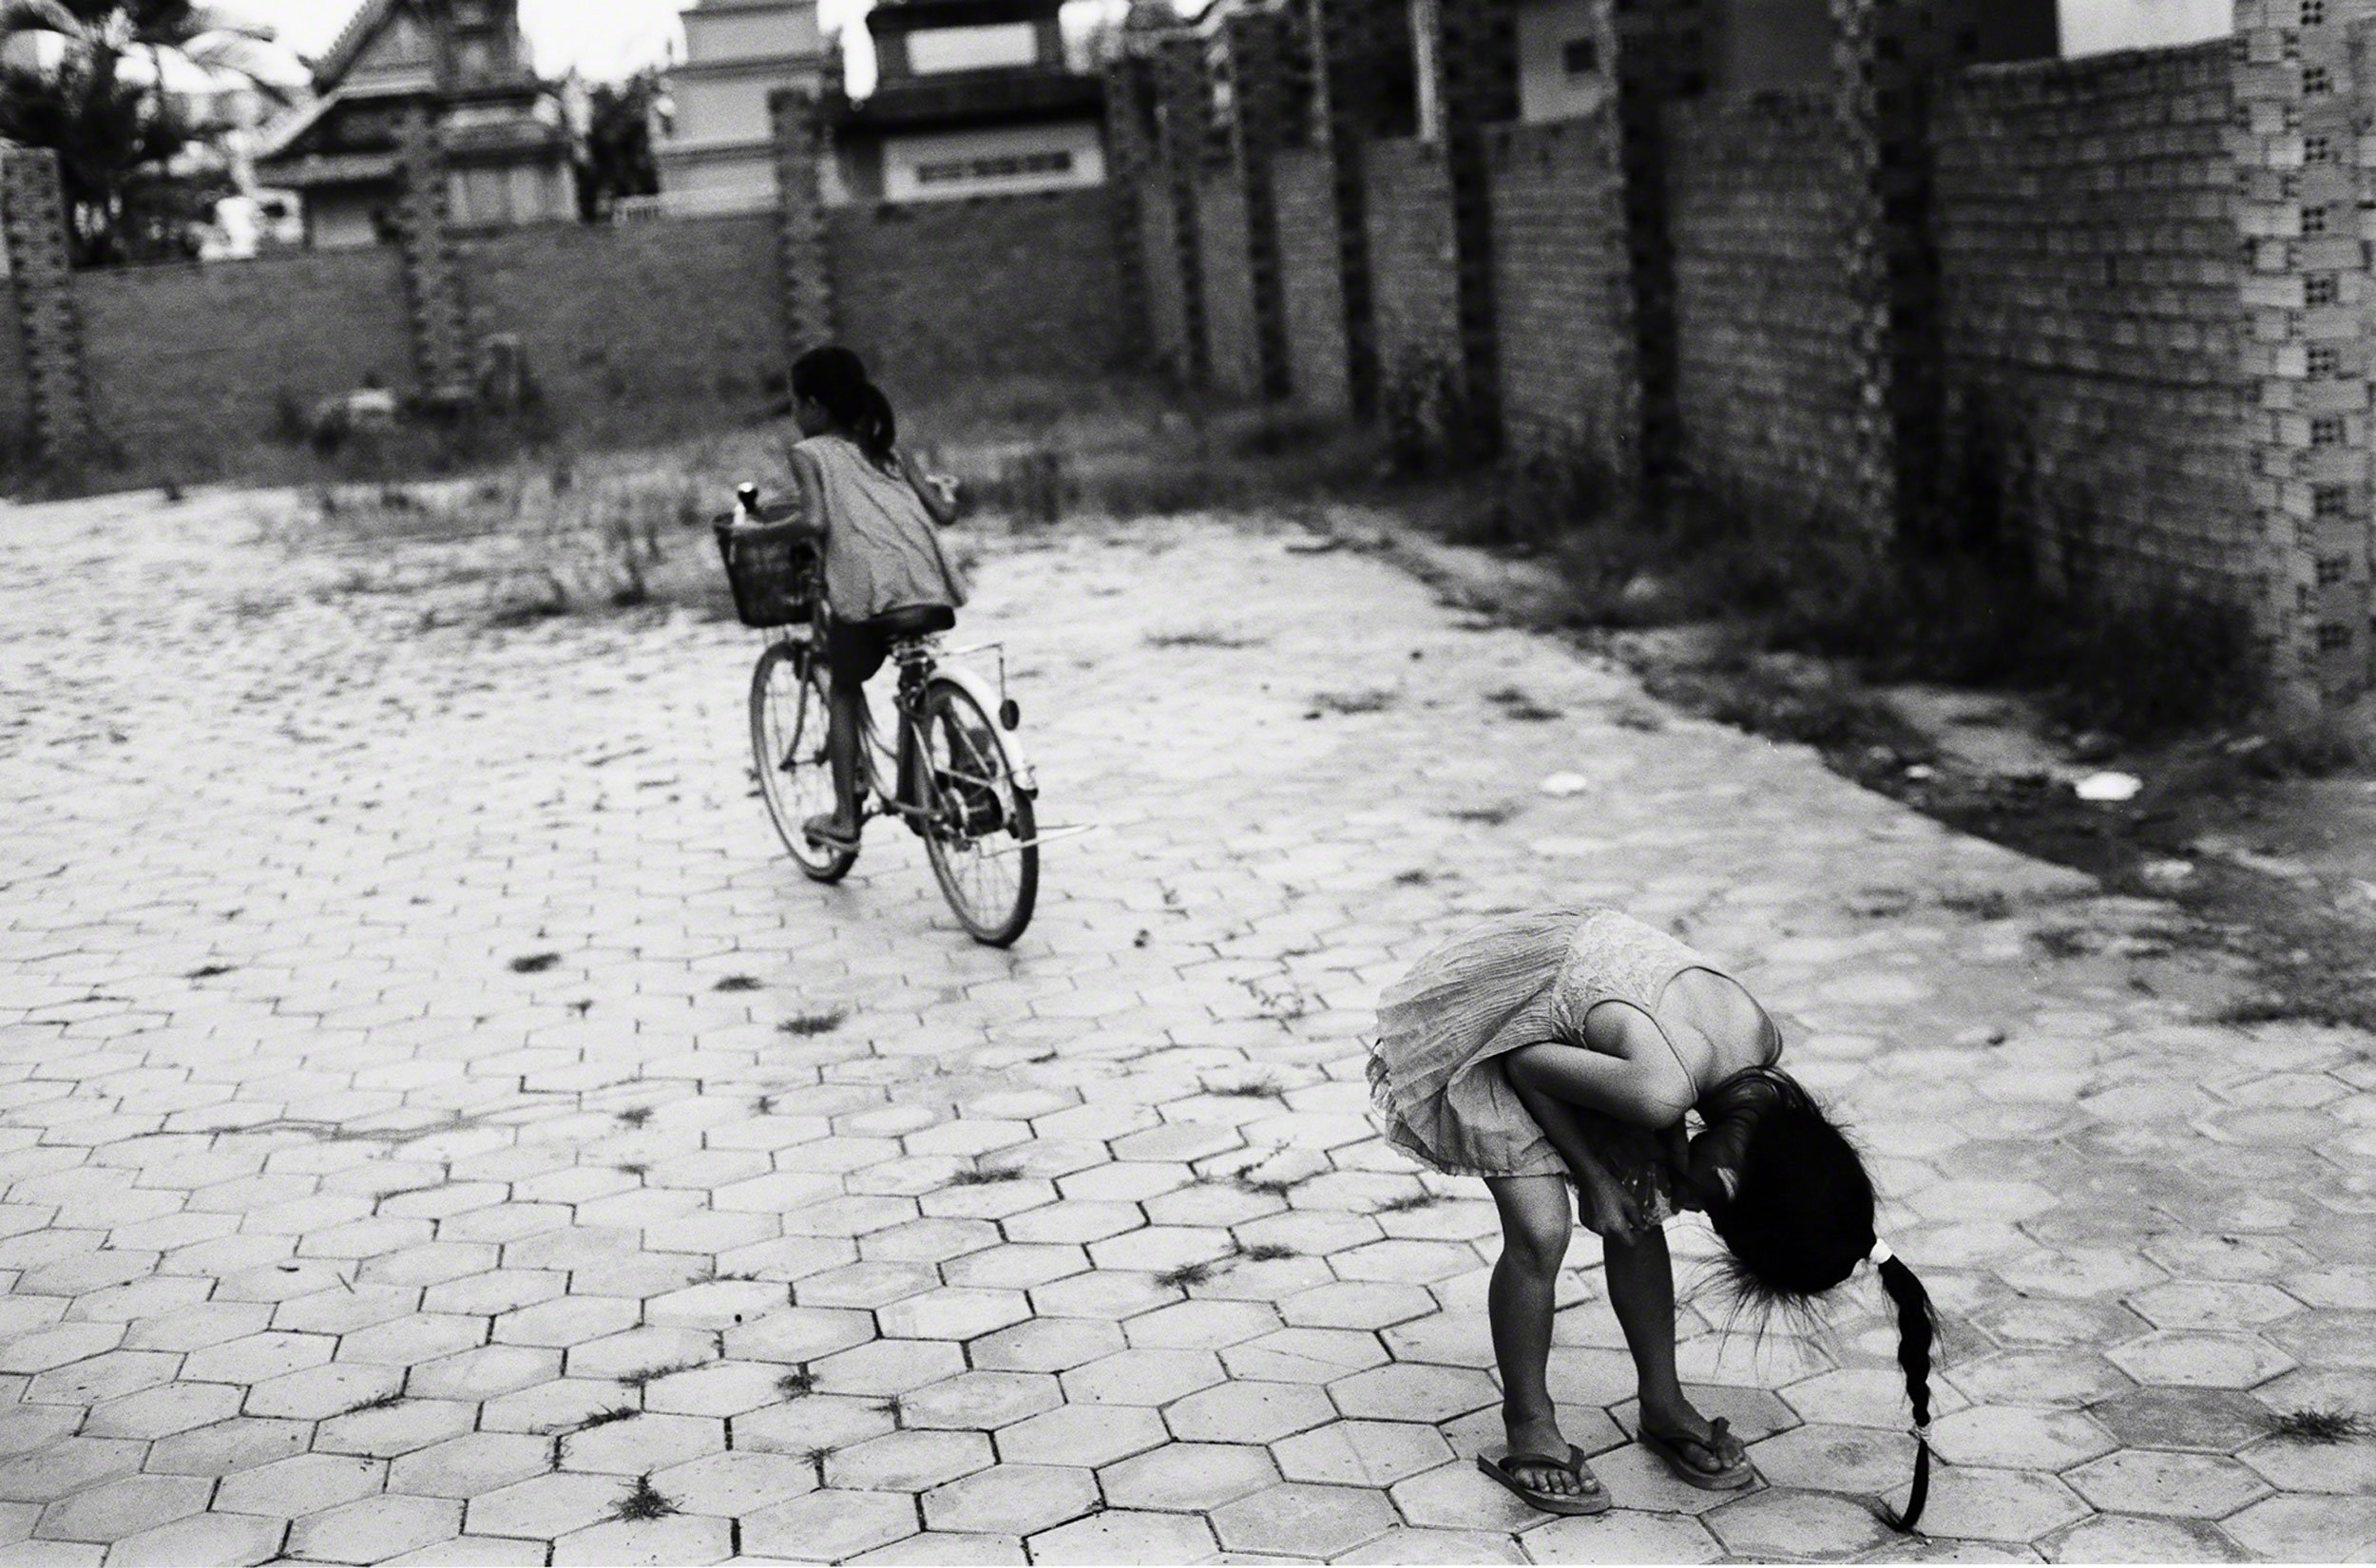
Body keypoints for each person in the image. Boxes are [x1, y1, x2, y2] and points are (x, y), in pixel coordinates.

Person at [1368, 907, 1937, 1530]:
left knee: (1642, 1206)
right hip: (1506, 1017)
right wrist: (1594, 1177)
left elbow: (1671, 1077)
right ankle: (1529, 1422)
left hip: (1596, 1030)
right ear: (1732, 1177)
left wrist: (1656, 1159)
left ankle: (1662, 1404)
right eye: (1714, 1208)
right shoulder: (1660, 1087)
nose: (1697, 1206)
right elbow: (1527, 1065)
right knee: (1542, 1232)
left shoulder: (1759, 1055)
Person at [777, 346, 968, 851]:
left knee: (843, 686)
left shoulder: (809, 453)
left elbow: (816, 520)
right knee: (919, 669)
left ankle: (844, 818)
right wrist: (945, 492)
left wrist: (756, 533)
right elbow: (943, 515)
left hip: (869, 595)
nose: (794, 414)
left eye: (794, 403)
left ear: (815, 406)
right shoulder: (891, 450)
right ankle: (967, 750)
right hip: (928, 585)